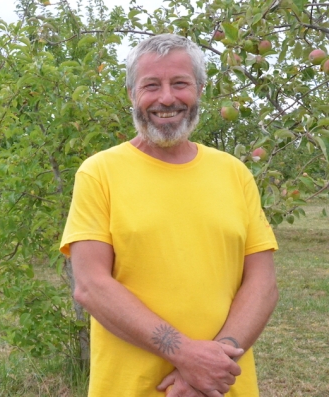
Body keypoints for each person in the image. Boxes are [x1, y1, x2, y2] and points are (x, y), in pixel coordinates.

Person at [59, 34, 279, 397]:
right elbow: (91, 285)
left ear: (200, 90)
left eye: (180, 83)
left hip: (223, 386)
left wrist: (212, 365)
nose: (166, 98)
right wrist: (188, 356)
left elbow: (263, 285)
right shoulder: (99, 173)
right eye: (151, 85)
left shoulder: (234, 172)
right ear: (131, 93)